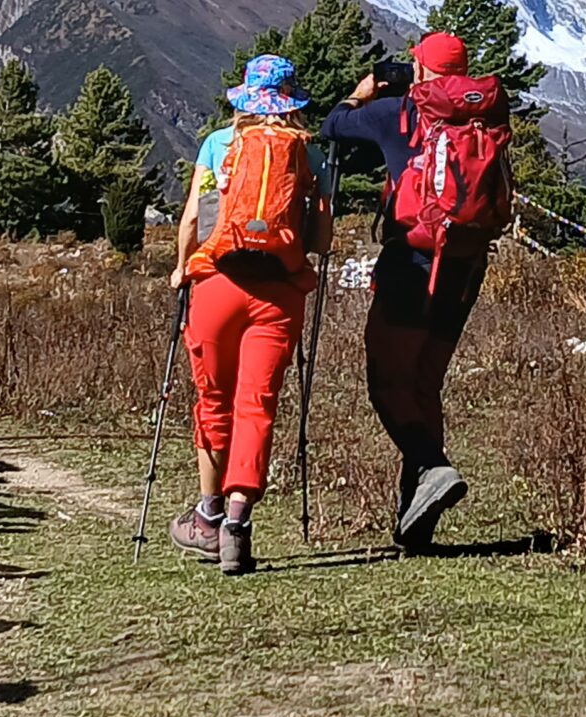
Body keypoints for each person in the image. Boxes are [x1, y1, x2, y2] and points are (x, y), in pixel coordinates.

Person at [321, 30, 512, 552]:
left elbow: (333, 126)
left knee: (387, 381)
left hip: (412, 263)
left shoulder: (399, 114)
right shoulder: (487, 115)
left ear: (421, 70)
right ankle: (417, 522)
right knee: (424, 383)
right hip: (466, 265)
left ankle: (431, 466)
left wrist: (362, 93)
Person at [167, 54, 332, 575]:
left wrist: (181, 269)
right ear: (292, 101)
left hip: (218, 284)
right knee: (256, 404)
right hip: (280, 294)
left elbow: (193, 218)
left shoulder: (219, 144)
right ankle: (237, 525)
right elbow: (322, 238)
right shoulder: (310, 152)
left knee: (213, 400)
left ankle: (207, 517)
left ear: (245, 97)